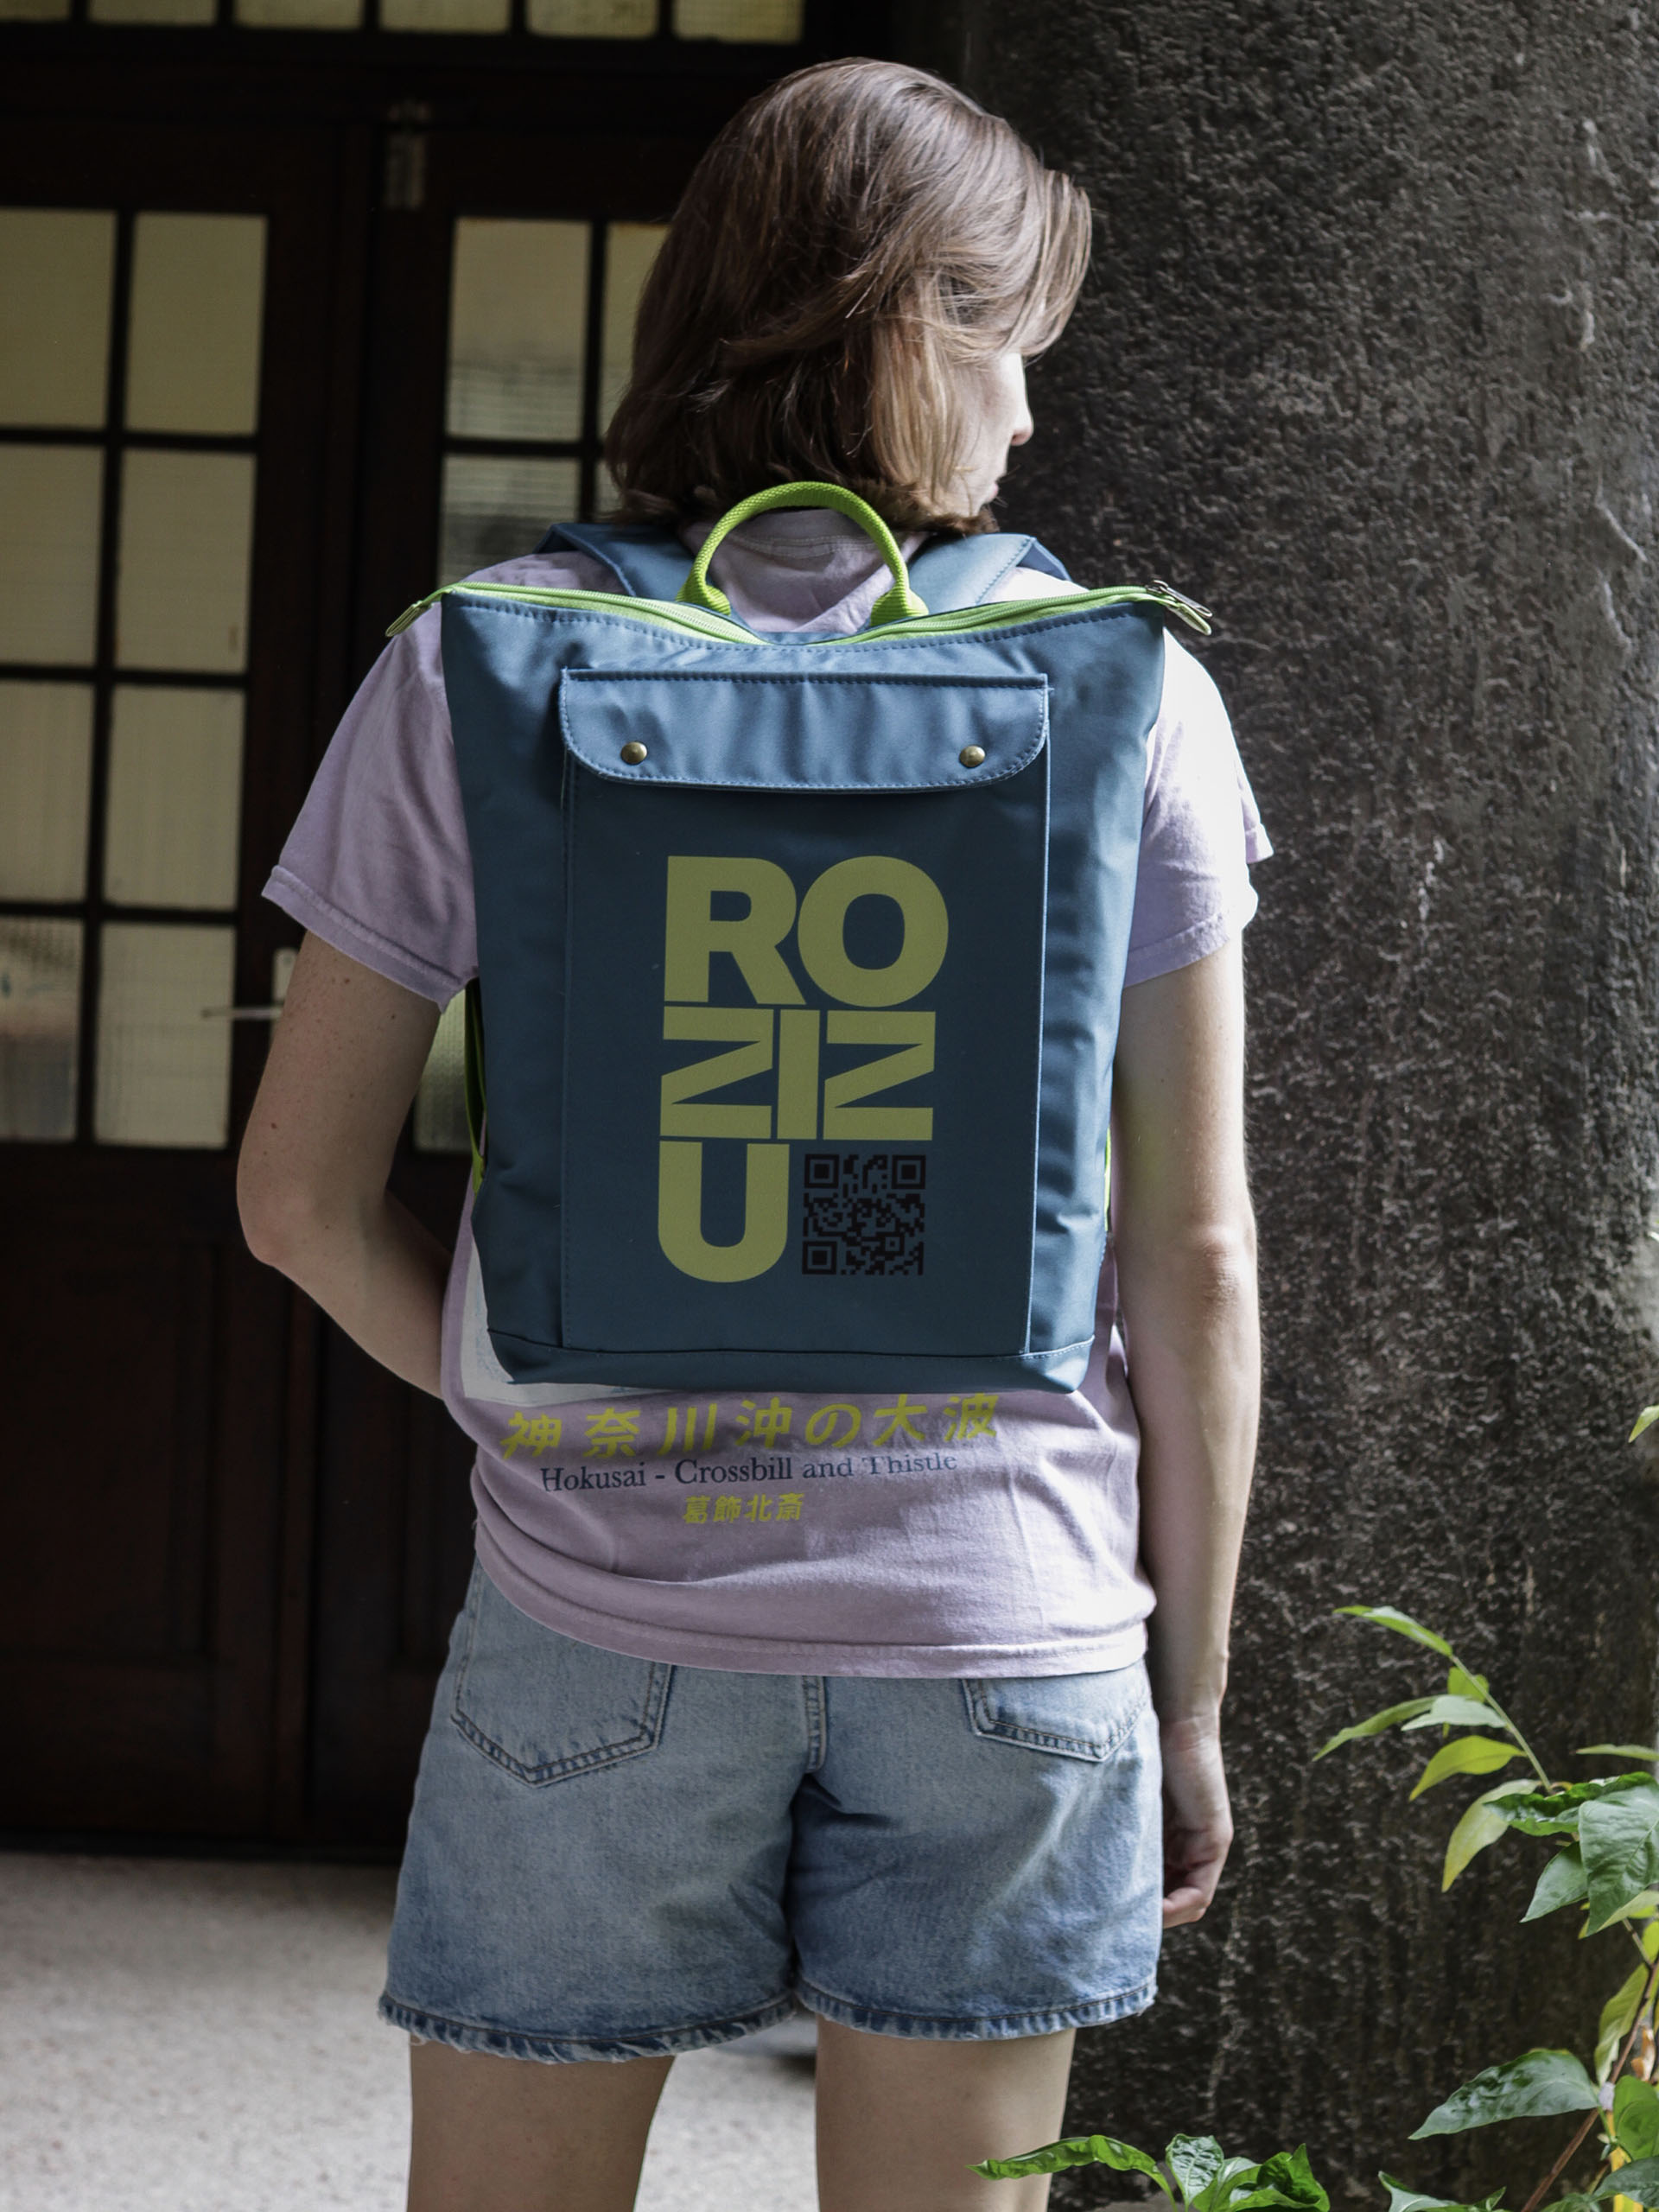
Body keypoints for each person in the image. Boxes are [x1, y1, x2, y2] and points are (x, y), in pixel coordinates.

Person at [238, 55, 1265, 2212]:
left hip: (601, 1611)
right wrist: (1187, 1696)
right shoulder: (1130, 691)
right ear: (903, 328)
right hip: (1009, 1628)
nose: (1029, 415)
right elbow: (1195, 1260)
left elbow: (298, 1199)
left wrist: (540, 1404)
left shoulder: (474, 668)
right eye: (1006, 342)